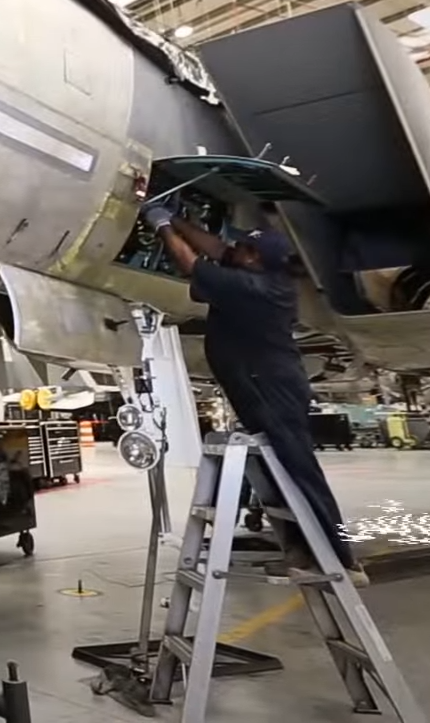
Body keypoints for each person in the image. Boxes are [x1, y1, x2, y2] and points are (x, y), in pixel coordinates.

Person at [142, 203, 368, 586]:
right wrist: (177, 219)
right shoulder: (254, 271)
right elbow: (217, 248)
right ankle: (301, 553)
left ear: (256, 260)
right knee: (277, 472)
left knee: (300, 472)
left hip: (272, 389)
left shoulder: (254, 288)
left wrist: (162, 226)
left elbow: (191, 263)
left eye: (245, 248)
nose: (236, 249)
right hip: (257, 385)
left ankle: (343, 561)